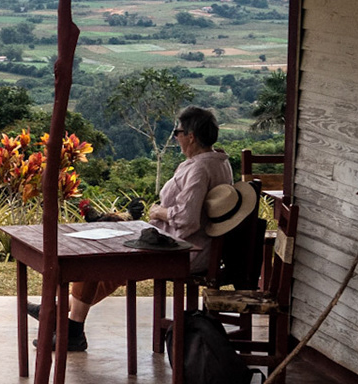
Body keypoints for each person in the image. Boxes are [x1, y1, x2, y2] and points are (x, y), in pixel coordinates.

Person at [33, 105, 235, 351]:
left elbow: (187, 218)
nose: (176, 137)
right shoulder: (219, 161)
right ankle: (60, 315)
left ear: (190, 137)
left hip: (182, 250)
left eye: (177, 132)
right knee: (107, 266)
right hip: (186, 244)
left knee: (100, 259)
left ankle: (66, 323)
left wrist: (159, 212)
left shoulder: (200, 168)